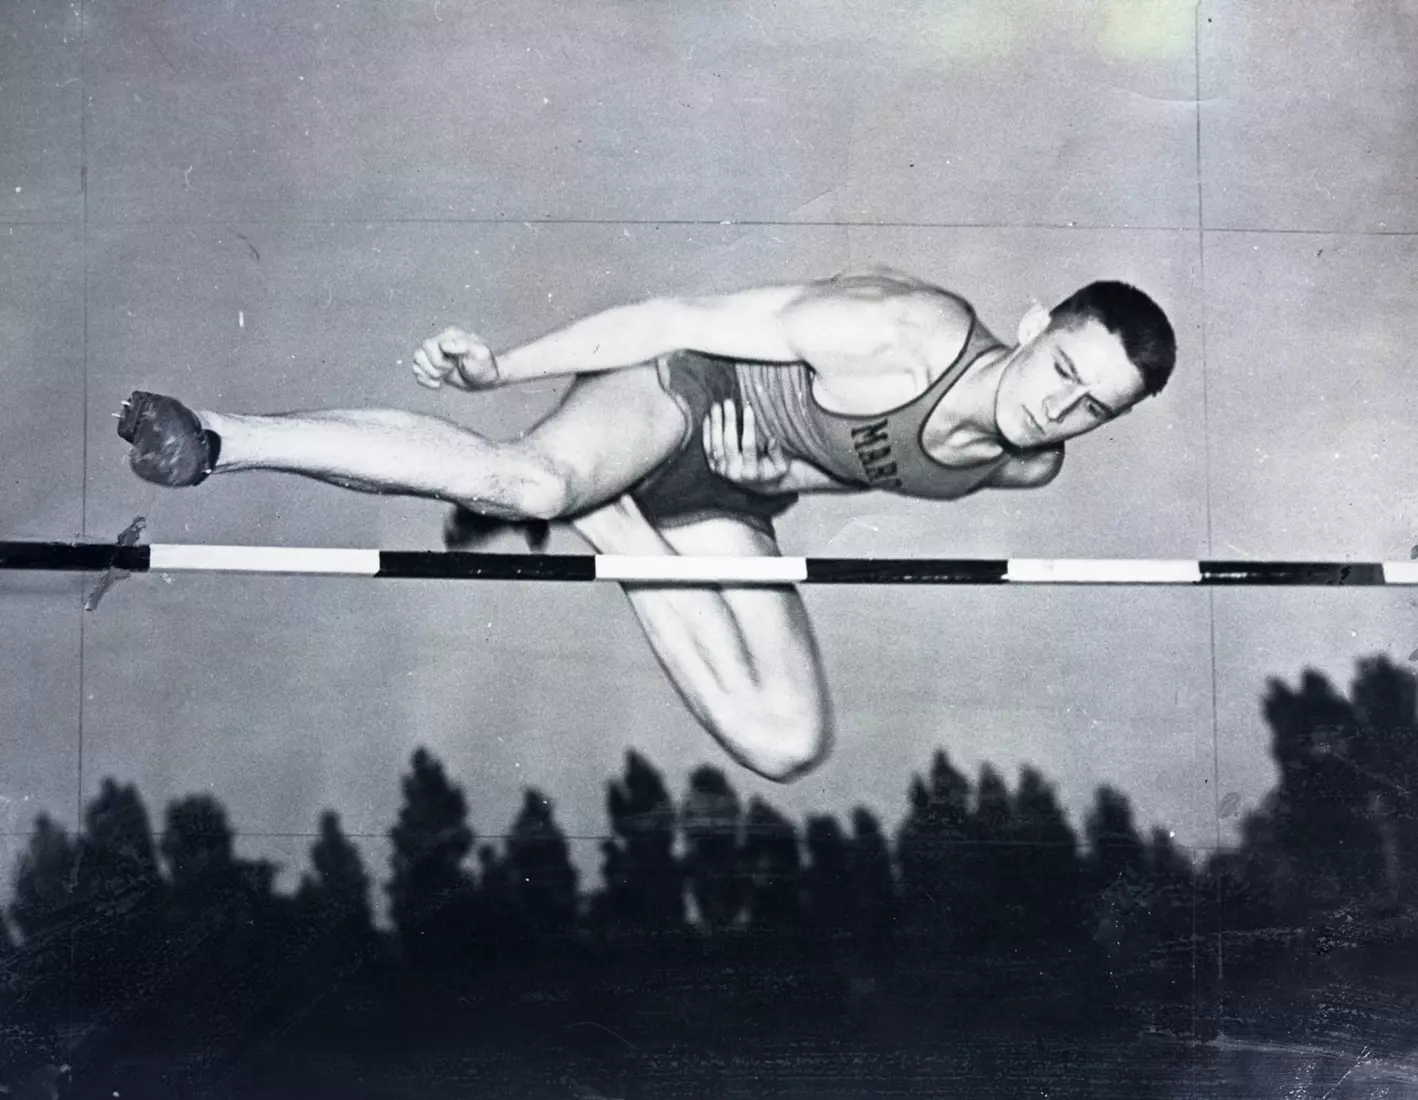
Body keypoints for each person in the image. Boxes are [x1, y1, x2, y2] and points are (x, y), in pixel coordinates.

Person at [116, 267, 1176, 782]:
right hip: (681, 391)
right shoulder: (901, 326)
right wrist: (505, 365)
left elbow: (862, 456)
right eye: (1062, 370)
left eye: (1094, 406)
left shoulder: (1028, 463)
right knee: (525, 484)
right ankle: (220, 435)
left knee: (786, 740)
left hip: (725, 492)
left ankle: (614, 526)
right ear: (1035, 326)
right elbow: (675, 318)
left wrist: (789, 471)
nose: (1056, 405)